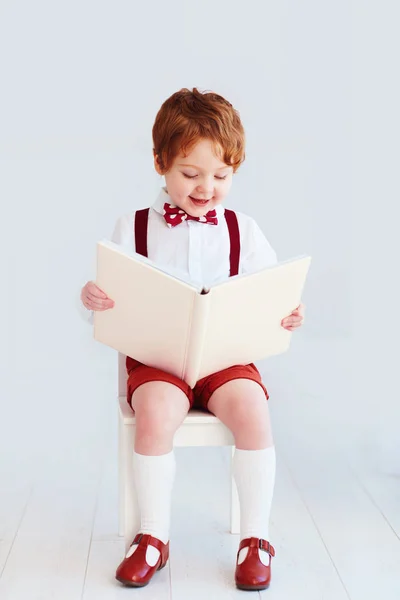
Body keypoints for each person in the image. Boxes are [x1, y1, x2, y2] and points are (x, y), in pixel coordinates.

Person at [80, 87, 305, 591]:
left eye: (221, 176)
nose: (206, 188)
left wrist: (287, 313)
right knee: (155, 413)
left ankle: (255, 537)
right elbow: (110, 293)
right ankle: (153, 536)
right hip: (158, 361)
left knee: (253, 410)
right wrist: (92, 296)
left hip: (225, 359)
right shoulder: (132, 227)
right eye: (190, 174)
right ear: (160, 162)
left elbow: (271, 292)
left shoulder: (243, 230)